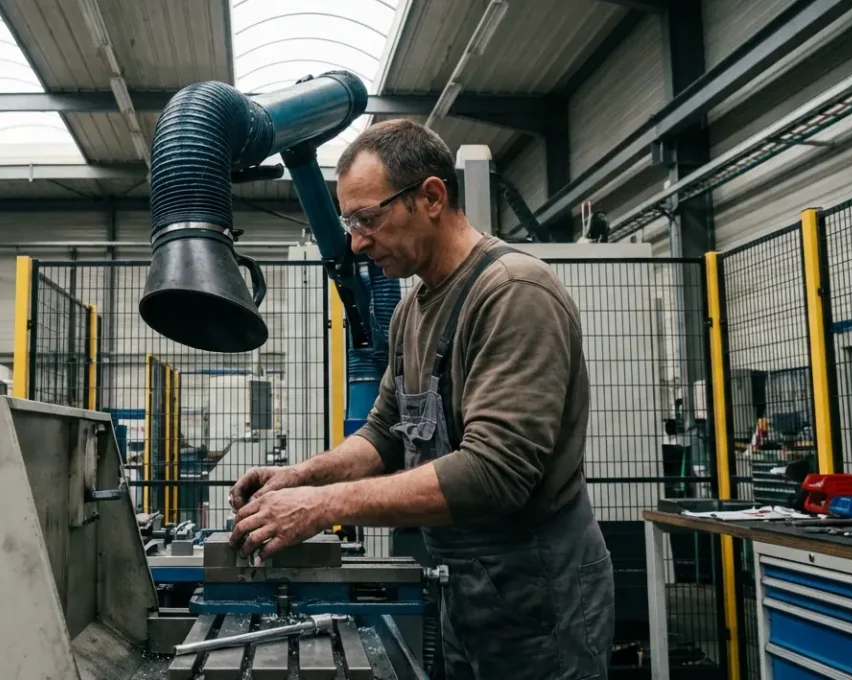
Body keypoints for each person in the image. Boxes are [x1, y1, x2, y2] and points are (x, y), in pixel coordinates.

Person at [227, 118, 614, 679]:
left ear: (431, 196)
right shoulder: (413, 309)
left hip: (540, 593)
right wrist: (302, 477)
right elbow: (386, 431)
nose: (356, 241)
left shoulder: (513, 293)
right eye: (349, 222)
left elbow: (495, 471)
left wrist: (324, 507)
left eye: (368, 218)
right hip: (470, 586)